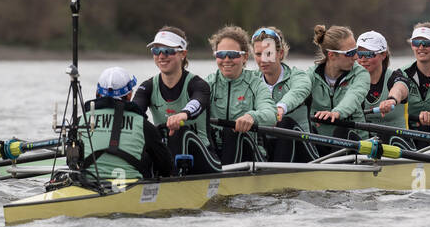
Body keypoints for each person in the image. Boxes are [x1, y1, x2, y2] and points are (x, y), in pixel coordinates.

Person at [132, 26, 214, 174]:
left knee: (179, 132)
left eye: (168, 51)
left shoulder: (199, 85)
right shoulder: (147, 87)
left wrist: (182, 115)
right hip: (167, 156)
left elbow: (198, 102)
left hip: (204, 158)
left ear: (183, 54)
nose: (161, 56)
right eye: (156, 51)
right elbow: (133, 112)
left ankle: (172, 181)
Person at [78, 66, 173, 185]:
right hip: (130, 189)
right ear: (129, 95)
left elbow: (70, 161)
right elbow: (166, 165)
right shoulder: (143, 124)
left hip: (87, 185)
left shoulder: (81, 120)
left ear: (98, 93)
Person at [205, 25, 279, 164]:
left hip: (249, 153)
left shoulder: (256, 84)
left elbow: (271, 114)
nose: (226, 59)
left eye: (232, 55)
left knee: (232, 132)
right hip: (215, 151)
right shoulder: (208, 83)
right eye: (221, 55)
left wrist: (252, 116)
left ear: (244, 57)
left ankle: (224, 180)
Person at [301, 24, 370, 158]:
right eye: (350, 53)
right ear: (332, 55)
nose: (356, 57)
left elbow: (353, 96)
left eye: (356, 50)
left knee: (342, 131)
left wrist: (337, 113)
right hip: (320, 143)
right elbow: (297, 92)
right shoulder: (310, 75)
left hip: (356, 144)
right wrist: (280, 108)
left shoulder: (361, 74)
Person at [251, 25, 311, 161]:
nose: (263, 60)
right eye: (258, 54)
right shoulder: (251, 80)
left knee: (285, 122)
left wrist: (280, 108)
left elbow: (297, 92)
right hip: (266, 147)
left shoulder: (298, 76)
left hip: (301, 149)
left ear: (281, 53)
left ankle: (274, 176)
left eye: (269, 54)